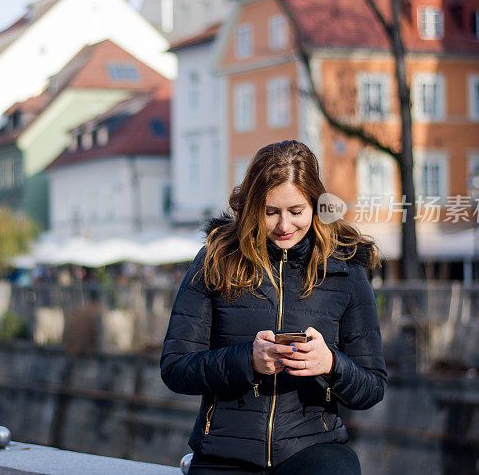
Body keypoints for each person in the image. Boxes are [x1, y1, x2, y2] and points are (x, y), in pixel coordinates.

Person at [160, 140, 386, 474]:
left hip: (311, 448)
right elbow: (175, 368)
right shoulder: (216, 260)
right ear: (252, 207)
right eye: (270, 212)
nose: (284, 226)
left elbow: (372, 386)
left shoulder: (345, 269)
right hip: (224, 452)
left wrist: (331, 364)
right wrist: (246, 360)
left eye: (296, 212)